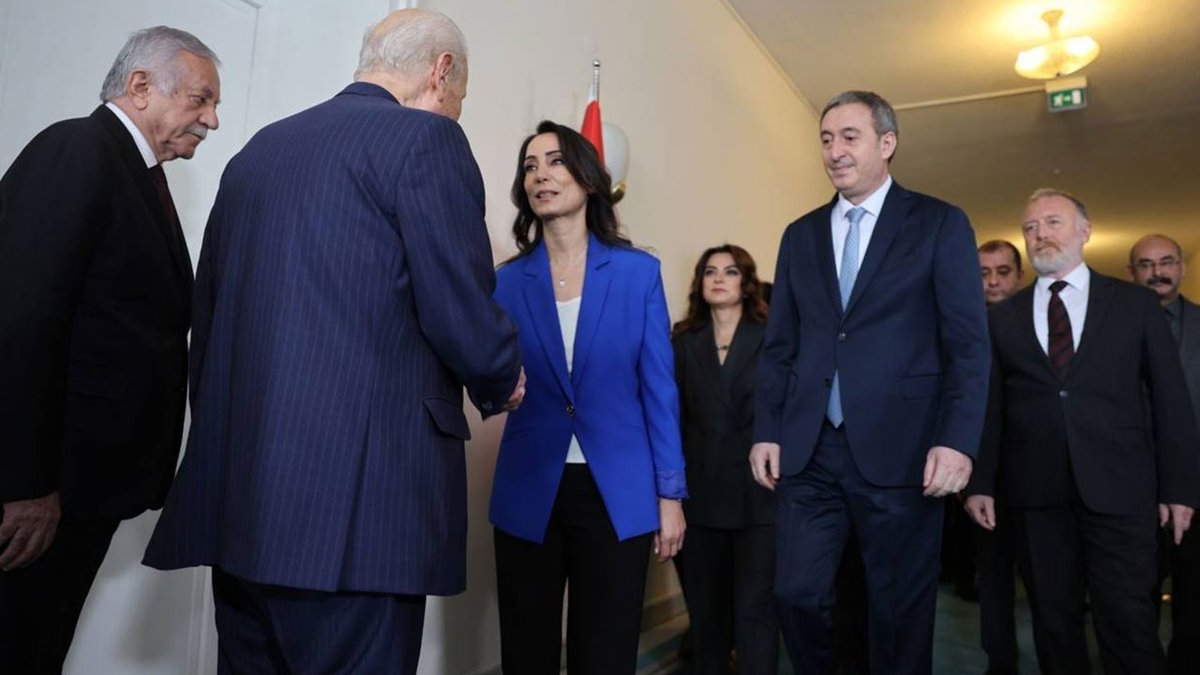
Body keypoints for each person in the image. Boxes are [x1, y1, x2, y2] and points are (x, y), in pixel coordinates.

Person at [141, 10, 523, 674]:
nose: (456, 110)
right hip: (361, 520)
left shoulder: (259, 150)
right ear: (441, 72)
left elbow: (210, 317)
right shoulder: (427, 140)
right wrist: (500, 373)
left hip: (241, 505)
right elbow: (457, 302)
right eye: (460, 95)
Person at [0, 26, 220, 674]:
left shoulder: (136, 173)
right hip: (43, 496)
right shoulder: (77, 149)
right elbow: (20, 321)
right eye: (202, 99)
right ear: (141, 85)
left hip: (84, 492)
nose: (212, 119)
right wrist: (25, 486)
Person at [750, 90, 990, 674]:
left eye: (849, 137)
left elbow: (967, 344)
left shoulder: (938, 223)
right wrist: (767, 429)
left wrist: (957, 441)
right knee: (797, 594)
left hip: (905, 450)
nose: (834, 151)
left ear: (887, 143)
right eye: (826, 139)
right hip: (811, 449)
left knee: (898, 613)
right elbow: (780, 346)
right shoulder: (800, 235)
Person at [965, 190, 1200, 673]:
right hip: (1035, 496)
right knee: (1054, 625)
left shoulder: (1135, 304)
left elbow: (1170, 400)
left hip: (1123, 492)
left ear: (1085, 231)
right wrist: (981, 482)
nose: (1040, 234)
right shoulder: (1002, 318)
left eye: (1053, 222)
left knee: (1129, 622)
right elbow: (990, 406)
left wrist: (1179, 488)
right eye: (1030, 227)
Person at [489, 120, 687, 675]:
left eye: (555, 162)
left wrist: (670, 495)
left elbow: (660, 391)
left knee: (604, 654)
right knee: (525, 653)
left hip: (616, 490)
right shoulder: (506, 282)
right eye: (530, 166)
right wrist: (494, 391)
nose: (540, 175)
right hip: (529, 486)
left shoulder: (638, 273)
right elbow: (487, 371)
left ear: (590, 179)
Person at [672, 244, 777, 675]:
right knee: (706, 616)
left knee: (756, 611)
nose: (718, 278)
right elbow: (671, 418)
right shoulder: (683, 341)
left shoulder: (772, 338)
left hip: (759, 495)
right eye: (710, 271)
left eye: (730, 271)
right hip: (699, 496)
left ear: (746, 282)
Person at [1127, 233, 1200, 674]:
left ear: (1182, 267)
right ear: (1131, 272)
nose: (1158, 272)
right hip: (1135, 484)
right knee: (1137, 590)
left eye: (1167, 262)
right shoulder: (1113, 329)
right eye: (1147, 264)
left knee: (1195, 590)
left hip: (1198, 480)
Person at [973, 238, 1030, 675]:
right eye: (983, 273)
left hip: (1038, 473)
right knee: (991, 578)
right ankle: (1000, 663)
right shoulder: (962, 324)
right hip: (981, 476)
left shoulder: (1043, 320)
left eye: (1003, 271)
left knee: (1049, 580)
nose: (993, 281)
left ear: (1020, 275)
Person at [979, 239, 1025, 306]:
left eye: (1003, 272)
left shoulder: (1037, 310)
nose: (993, 282)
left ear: (1020, 277)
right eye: (984, 274)